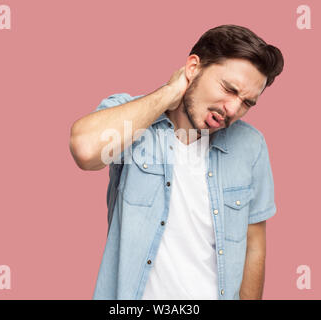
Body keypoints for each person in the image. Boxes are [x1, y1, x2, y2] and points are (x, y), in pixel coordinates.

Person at [69, 24, 284, 300]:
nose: (232, 109)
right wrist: (169, 94)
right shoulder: (133, 120)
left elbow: (254, 244)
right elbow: (85, 150)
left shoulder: (250, 146)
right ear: (193, 67)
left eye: (246, 103)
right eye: (229, 89)